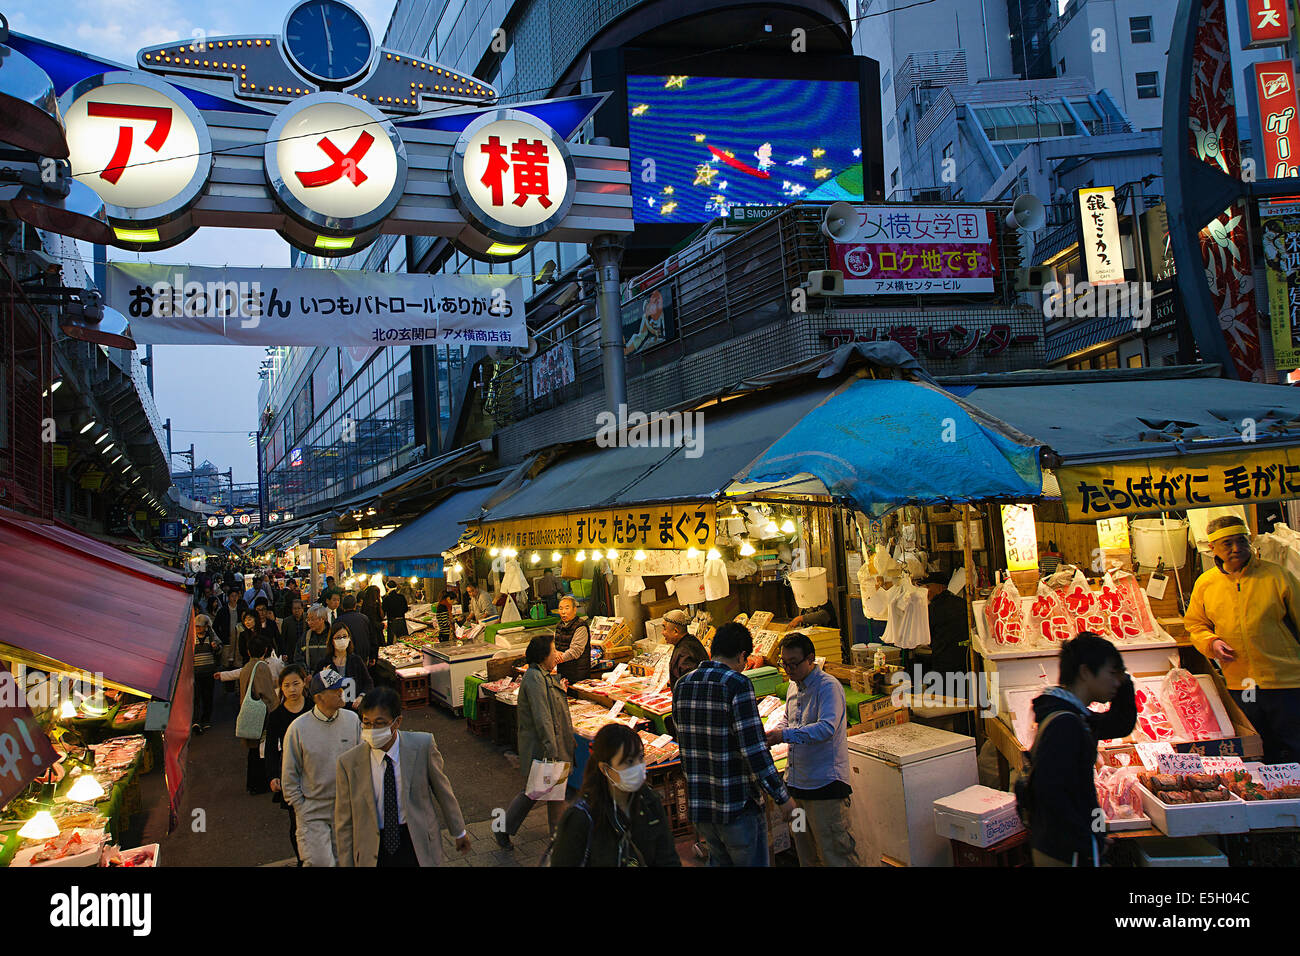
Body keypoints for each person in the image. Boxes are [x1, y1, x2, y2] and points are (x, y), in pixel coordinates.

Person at [674, 622, 795, 866]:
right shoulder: (737, 684)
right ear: (742, 655)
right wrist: (783, 797)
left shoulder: (682, 685)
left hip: (702, 807)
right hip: (737, 807)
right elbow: (754, 751)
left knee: (718, 860)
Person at [1185, 515, 1300, 764]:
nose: (1236, 548)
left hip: (1286, 682)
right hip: (1243, 684)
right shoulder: (1206, 584)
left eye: (1241, 541)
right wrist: (1211, 642)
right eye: (1227, 543)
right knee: (1258, 748)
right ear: (1212, 547)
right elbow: (1195, 625)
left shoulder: (1277, 576)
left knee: (1294, 746)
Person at [1028, 631, 1136, 867]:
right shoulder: (1064, 723)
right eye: (1112, 673)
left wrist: (1095, 837)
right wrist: (1087, 840)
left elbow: (1120, 724)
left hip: (1071, 845)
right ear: (1086, 672)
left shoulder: (1075, 715)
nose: (1116, 681)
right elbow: (1052, 794)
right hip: (1062, 851)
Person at [335, 686, 471, 867]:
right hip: (374, 848)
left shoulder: (422, 746)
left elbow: (443, 792)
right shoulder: (349, 763)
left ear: (397, 722)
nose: (371, 729)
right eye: (367, 722)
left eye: (379, 723)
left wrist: (459, 831)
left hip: (415, 841)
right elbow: (344, 820)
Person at [765, 632, 859, 866]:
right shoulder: (792, 687)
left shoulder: (828, 687)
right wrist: (773, 732)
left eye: (794, 663)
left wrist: (783, 735)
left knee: (835, 854)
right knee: (805, 853)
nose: (789, 669)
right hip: (796, 791)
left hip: (824, 789)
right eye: (784, 663)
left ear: (811, 659)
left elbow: (826, 728)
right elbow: (788, 720)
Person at [550, 723, 682, 867]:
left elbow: (668, 858)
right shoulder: (581, 817)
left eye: (640, 757)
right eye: (629, 762)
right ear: (605, 769)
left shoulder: (649, 802)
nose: (638, 766)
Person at [496, 633, 576, 848]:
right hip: (545, 747)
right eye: (553, 652)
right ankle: (504, 828)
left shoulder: (542, 676)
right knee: (536, 792)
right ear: (543, 656)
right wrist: (552, 750)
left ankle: (556, 839)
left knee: (548, 794)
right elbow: (542, 717)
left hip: (551, 744)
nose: (557, 655)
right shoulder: (534, 679)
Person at [281, 667, 363, 867]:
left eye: (341, 688)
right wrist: (302, 809)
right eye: (335, 690)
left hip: (346, 809)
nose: (340, 692)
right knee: (320, 862)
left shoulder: (352, 720)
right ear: (319, 698)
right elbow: (289, 778)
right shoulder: (298, 729)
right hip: (313, 812)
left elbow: (362, 764)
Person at [265, 664, 311, 865]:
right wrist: (273, 775)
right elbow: (270, 749)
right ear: (281, 688)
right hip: (291, 771)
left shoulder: (313, 707)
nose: (292, 689)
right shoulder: (276, 716)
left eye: (296, 684)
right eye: (287, 685)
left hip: (315, 769)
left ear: (304, 683)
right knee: (296, 822)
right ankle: (302, 858)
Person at [236, 635, 280, 795]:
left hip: (248, 712)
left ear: (248, 651)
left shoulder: (247, 667)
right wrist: (277, 710)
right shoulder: (261, 666)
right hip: (261, 715)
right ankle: (258, 784)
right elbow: (266, 693)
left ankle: (253, 784)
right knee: (261, 751)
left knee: (253, 750)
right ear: (266, 650)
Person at [919, 571, 969, 678]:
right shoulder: (962, 603)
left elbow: (927, 636)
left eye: (928, 587)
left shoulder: (933, 609)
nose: (926, 591)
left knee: (944, 693)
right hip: (964, 660)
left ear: (940, 588)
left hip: (943, 661)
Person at [323, 621, 374, 708]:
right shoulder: (325, 663)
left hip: (354, 708)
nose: (342, 640)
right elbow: (318, 690)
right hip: (333, 709)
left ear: (349, 638)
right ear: (332, 641)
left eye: (344, 636)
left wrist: (361, 697)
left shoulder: (356, 660)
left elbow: (368, 683)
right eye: (338, 638)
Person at [191, 613, 222, 734]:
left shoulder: (211, 637)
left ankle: (206, 719)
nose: (198, 629)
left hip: (209, 672)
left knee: (208, 696)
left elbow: (220, 649)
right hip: (196, 672)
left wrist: (215, 647)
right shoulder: (192, 638)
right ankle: (197, 721)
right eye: (196, 626)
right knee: (197, 697)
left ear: (206, 626)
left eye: (200, 626)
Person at [553, 595, 591, 686]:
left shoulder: (581, 626)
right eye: (560, 608)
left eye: (567, 608)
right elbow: (554, 645)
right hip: (562, 672)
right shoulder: (559, 625)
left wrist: (559, 659)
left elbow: (575, 651)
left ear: (574, 610)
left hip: (578, 673)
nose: (563, 612)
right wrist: (555, 653)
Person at [665, 609, 707, 689]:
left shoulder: (684, 651)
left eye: (665, 628)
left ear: (675, 631)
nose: (662, 633)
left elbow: (689, 684)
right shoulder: (691, 641)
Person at [213, 587, 248, 667]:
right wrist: (222, 637)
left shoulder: (241, 610)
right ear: (228, 597)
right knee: (226, 664)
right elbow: (215, 626)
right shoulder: (223, 610)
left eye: (236, 596)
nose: (234, 598)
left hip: (238, 641)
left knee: (238, 663)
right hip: (227, 641)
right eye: (232, 596)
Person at [295, 605, 334, 671]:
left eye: (312, 619)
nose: (309, 622)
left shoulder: (333, 636)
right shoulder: (305, 637)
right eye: (308, 619)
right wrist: (306, 673)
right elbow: (298, 657)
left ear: (322, 619)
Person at [337, 593, 373, 662]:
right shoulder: (364, 618)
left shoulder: (338, 621)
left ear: (342, 606)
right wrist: (372, 656)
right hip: (363, 657)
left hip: (345, 659)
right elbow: (371, 638)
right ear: (355, 605)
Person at [360, 586, 384, 654]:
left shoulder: (366, 605)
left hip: (369, 633)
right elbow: (372, 622)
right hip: (374, 634)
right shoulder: (371, 606)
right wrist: (382, 625)